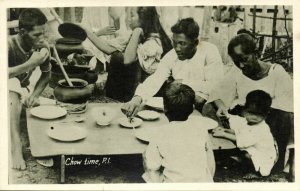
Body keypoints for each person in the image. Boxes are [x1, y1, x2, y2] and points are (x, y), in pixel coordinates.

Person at [207, 33, 293, 172]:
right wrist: (221, 106)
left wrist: (255, 113)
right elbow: (217, 93)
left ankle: (278, 162)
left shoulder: (276, 72)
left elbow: (288, 107)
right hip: (241, 123)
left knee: (286, 117)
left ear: (256, 53)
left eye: (244, 59)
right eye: (236, 61)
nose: (241, 65)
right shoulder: (237, 72)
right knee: (208, 107)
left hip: (266, 126)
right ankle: (226, 152)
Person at [122, 17, 224, 117]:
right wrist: (137, 98)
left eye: (182, 43)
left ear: (196, 43)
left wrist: (181, 83)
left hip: (209, 102)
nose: (177, 48)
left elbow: (215, 85)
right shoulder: (172, 55)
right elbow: (156, 78)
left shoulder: (209, 51)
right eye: (174, 43)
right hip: (183, 102)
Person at [85, 7, 172, 102]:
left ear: (143, 19)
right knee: (116, 56)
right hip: (133, 84)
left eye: (132, 15)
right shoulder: (135, 34)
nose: (128, 19)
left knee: (118, 57)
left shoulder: (153, 42)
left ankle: (119, 99)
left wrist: (137, 31)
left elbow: (127, 60)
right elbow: (108, 49)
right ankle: (113, 98)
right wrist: (86, 32)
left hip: (148, 90)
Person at [142, 82, 215, 182]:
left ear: (165, 109)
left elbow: (152, 166)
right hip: (202, 184)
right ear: (193, 109)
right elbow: (211, 165)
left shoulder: (160, 132)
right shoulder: (201, 129)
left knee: (146, 157)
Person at [8, 8, 51, 170]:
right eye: (37, 35)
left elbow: (46, 75)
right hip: (6, 92)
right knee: (12, 84)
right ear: (22, 32)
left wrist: (35, 94)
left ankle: (44, 147)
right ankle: (16, 148)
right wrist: (31, 64)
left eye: (43, 33)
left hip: (21, 91)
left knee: (53, 109)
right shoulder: (7, 44)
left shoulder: (42, 47)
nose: (42, 39)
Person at [212, 90, 278, 178]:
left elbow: (243, 140)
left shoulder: (261, 128)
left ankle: (256, 172)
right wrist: (225, 130)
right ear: (245, 109)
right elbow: (240, 132)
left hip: (265, 156)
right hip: (254, 148)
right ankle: (239, 162)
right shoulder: (247, 122)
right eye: (250, 113)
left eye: (259, 115)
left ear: (266, 114)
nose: (253, 118)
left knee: (246, 154)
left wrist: (223, 134)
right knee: (243, 152)